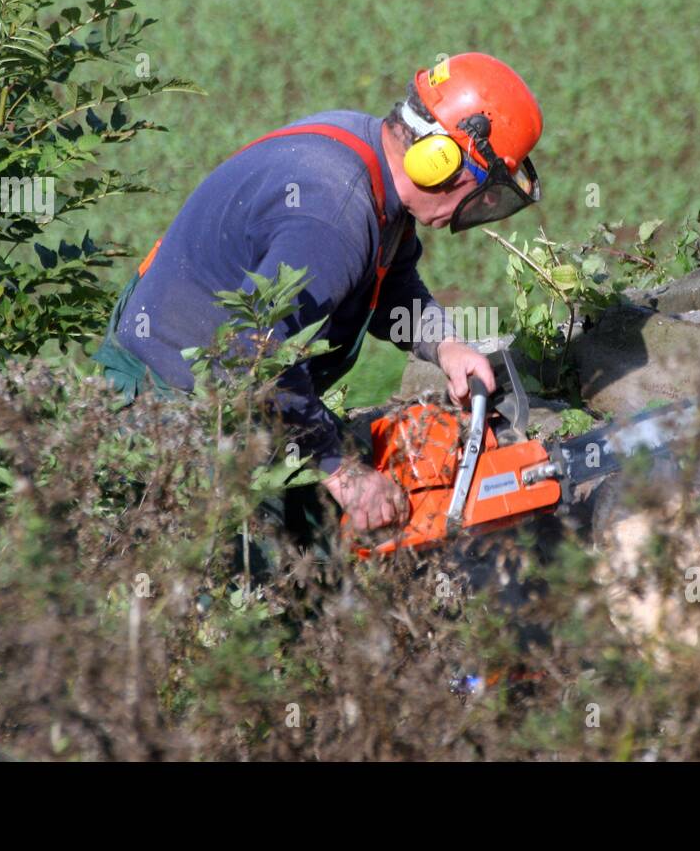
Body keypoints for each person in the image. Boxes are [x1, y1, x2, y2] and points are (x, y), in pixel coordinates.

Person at [93, 52, 544, 534]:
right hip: (167, 404)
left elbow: (389, 284)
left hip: (233, 391)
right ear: (440, 163)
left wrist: (447, 346)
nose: (477, 209)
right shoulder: (335, 216)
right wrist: (345, 476)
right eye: (483, 193)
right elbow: (251, 360)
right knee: (241, 588)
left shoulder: (370, 158)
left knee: (313, 546)